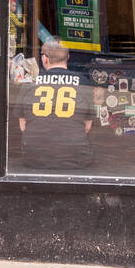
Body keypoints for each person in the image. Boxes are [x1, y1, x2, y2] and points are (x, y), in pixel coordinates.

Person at [18, 41, 94, 171]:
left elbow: (23, 126)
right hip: (75, 157)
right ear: (68, 57)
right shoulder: (83, 82)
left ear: (44, 58)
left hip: (34, 158)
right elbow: (87, 127)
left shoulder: (30, 83)